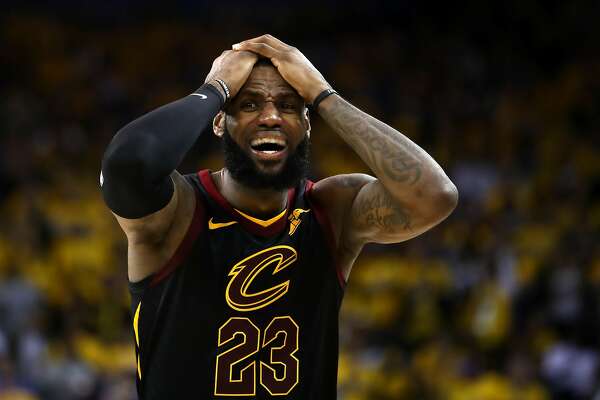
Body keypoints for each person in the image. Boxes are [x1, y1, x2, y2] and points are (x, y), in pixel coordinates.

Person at [100, 34, 458, 399]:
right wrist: (216, 88)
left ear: (306, 124)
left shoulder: (332, 209)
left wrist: (323, 94)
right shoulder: (179, 211)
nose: (270, 117)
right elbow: (129, 165)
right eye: (250, 103)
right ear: (219, 122)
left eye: (288, 106)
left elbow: (434, 196)